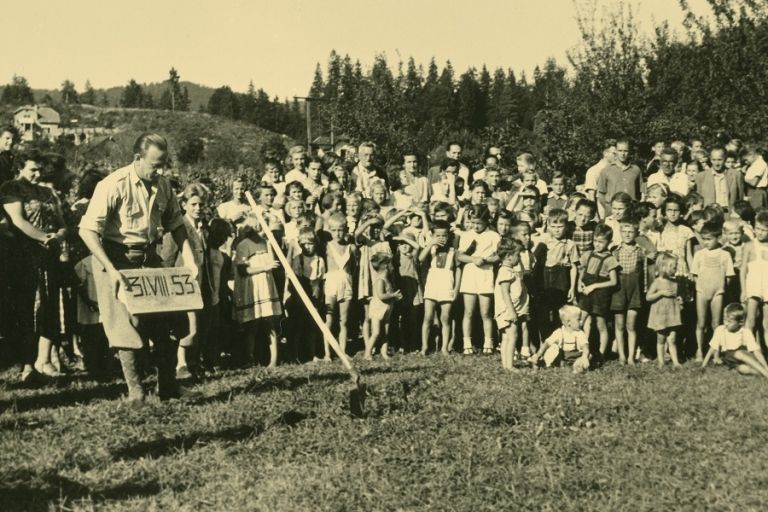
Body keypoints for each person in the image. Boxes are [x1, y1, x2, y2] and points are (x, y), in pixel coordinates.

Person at [78, 134, 199, 401]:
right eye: (156, 164)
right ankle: (136, 392)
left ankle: (168, 387)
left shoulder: (163, 185)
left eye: (164, 164)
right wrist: (110, 269)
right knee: (124, 329)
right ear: (137, 159)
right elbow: (87, 231)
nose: (161, 171)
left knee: (166, 322)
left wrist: (189, 258)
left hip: (148, 259)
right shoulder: (113, 185)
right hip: (114, 259)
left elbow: (176, 224)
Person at [1, 151, 67, 382]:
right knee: (27, 309)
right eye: (32, 170)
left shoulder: (47, 191)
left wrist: (58, 236)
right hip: (21, 257)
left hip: (48, 257)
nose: (37, 174)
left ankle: (44, 359)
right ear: (20, 168)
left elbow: (61, 221)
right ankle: (27, 364)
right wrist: (43, 238)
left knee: (49, 306)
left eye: (40, 169)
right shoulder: (11, 189)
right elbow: (18, 221)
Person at [233, 214, 281, 368]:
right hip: (252, 286)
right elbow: (242, 270)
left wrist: (271, 244)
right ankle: (250, 358)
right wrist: (263, 268)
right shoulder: (244, 245)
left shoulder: (266, 243)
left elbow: (273, 264)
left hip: (267, 287)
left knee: (270, 323)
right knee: (252, 324)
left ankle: (274, 360)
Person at [457, 204, 500, 354]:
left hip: (485, 274)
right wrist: (473, 259)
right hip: (470, 274)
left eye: (479, 223)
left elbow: (499, 255)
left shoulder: (494, 236)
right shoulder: (467, 235)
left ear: (487, 221)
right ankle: (466, 343)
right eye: (473, 222)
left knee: (486, 312)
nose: (475, 226)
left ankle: (488, 343)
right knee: (468, 311)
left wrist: (488, 260)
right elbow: (460, 255)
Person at [691, 221, 734, 361]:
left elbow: (729, 277)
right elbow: (695, 275)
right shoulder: (699, 254)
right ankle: (699, 351)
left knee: (716, 324)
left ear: (718, 238)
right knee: (701, 323)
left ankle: (716, 354)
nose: (706, 242)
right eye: (704, 239)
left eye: (709, 239)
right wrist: (700, 289)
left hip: (718, 292)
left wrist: (721, 289)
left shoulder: (725, 255)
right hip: (702, 291)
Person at [577, 224, 619, 357]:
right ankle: (582, 350)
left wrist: (594, 286)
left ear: (609, 242)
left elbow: (613, 281)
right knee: (581, 320)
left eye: (601, 242)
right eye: (595, 241)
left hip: (600, 294)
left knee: (600, 323)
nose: (597, 244)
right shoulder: (588, 254)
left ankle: (601, 353)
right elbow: (581, 271)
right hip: (586, 292)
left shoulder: (610, 259)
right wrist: (579, 284)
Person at [420, 220, 461, 355]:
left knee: (445, 317)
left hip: (447, 283)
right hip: (432, 283)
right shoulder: (430, 248)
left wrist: (456, 289)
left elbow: (458, 270)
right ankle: (424, 347)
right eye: (438, 235)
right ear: (432, 235)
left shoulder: (453, 250)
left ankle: (444, 347)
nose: (441, 238)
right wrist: (430, 243)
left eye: (444, 235)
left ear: (449, 236)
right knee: (428, 317)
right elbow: (420, 259)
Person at [610, 218, 647, 365]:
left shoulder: (641, 251)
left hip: (635, 290)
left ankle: (631, 357)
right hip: (618, 290)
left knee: (631, 325)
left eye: (631, 231)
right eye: (624, 231)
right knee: (619, 325)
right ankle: (622, 356)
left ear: (636, 232)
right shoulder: (615, 251)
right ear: (620, 232)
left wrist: (644, 288)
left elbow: (644, 272)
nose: (627, 234)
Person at [702, 302, 768, 379]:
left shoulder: (745, 331)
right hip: (730, 358)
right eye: (724, 319)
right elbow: (712, 349)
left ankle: (765, 373)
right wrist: (703, 365)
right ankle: (763, 373)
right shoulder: (720, 330)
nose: (726, 323)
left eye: (729, 321)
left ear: (740, 322)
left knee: (739, 354)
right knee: (742, 369)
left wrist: (766, 366)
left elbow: (755, 351)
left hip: (745, 355)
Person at [324, 213, 356, 359]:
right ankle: (327, 353)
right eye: (334, 230)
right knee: (329, 319)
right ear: (329, 230)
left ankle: (343, 351)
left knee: (344, 320)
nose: (337, 233)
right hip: (331, 283)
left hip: (346, 283)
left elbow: (353, 267)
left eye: (341, 229)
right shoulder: (327, 246)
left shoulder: (351, 247)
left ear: (346, 230)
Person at [495, 237, 529, 371]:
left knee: (506, 337)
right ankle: (509, 365)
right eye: (517, 255)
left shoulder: (510, 271)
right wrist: (511, 311)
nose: (519, 257)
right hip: (508, 309)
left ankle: (506, 364)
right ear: (509, 257)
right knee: (512, 336)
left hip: (510, 309)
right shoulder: (505, 272)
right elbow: (505, 293)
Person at [646, 251, 683, 369]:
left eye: (675, 266)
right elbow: (648, 297)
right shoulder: (657, 282)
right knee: (661, 339)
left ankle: (676, 362)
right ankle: (661, 361)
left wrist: (679, 299)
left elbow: (675, 296)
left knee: (672, 339)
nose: (675, 269)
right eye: (672, 266)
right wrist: (661, 293)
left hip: (672, 314)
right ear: (663, 267)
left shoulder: (674, 283)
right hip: (660, 315)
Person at [529, 305, 590, 373]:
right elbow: (547, 343)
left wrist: (585, 357)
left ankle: (577, 367)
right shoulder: (559, 332)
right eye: (578, 319)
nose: (581, 322)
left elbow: (585, 347)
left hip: (576, 358)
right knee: (553, 348)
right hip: (563, 358)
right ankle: (541, 362)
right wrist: (538, 354)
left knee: (585, 358)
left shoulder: (580, 333)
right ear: (568, 322)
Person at [364, 252, 402, 360]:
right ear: (386, 266)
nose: (392, 267)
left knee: (385, 332)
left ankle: (384, 353)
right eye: (391, 265)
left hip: (386, 308)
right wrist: (393, 295)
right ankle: (367, 353)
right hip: (378, 309)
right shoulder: (380, 280)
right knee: (376, 332)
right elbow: (381, 295)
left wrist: (395, 297)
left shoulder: (387, 280)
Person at [741, 209, 768, 343]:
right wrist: (743, 290)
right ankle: (748, 351)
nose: (760, 232)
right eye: (757, 228)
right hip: (753, 286)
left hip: (767, 287)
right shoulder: (750, 245)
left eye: (764, 230)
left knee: (766, 324)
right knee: (750, 320)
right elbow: (743, 269)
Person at [597, 140, 642, 214]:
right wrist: (609, 209)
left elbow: (640, 194)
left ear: (629, 152)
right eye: (620, 151)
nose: (623, 154)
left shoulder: (636, 170)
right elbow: (601, 195)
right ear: (616, 152)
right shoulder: (606, 170)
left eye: (625, 151)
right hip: (612, 213)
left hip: (631, 213)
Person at [583, 139, 617, 218]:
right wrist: (595, 218)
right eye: (614, 153)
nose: (617, 156)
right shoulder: (594, 171)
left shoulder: (616, 170)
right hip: (601, 214)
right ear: (605, 153)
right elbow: (591, 197)